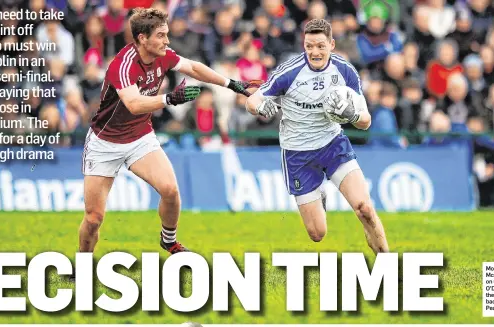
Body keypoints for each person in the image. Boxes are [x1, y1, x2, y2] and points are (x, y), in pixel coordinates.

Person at [78, 8, 258, 262]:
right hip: (105, 143)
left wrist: (232, 84)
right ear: (142, 38)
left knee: (170, 190)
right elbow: (134, 104)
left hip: (140, 138)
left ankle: (169, 241)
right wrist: (170, 98)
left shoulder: (163, 55)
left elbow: (194, 68)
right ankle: (83, 264)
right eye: (161, 35)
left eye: (167, 34)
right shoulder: (123, 64)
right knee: (94, 218)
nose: (167, 41)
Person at [245, 19, 390, 253]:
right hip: (298, 154)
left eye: (320, 46)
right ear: (304, 45)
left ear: (331, 45)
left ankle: (389, 268)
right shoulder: (289, 72)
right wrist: (261, 108)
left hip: (333, 145)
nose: (315, 52)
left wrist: (351, 114)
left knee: (364, 208)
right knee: (317, 234)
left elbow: (365, 121)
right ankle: (319, 196)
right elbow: (252, 101)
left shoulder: (345, 71)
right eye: (309, 46)